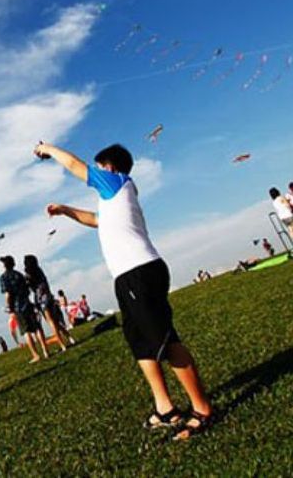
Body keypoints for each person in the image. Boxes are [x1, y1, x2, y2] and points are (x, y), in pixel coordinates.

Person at [35, 141, 213, 440]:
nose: (97, 171)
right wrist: (65, 210)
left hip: (140, 272)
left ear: (111, 166)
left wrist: (48, 149)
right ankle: (165, 408)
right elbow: (95, 220)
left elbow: (77, 167)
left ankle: (203, 410)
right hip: (127, 277)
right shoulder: (114, 200)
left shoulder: (118, 181)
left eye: (100, 166)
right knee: (142, 344)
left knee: (166, 341)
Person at [0, 255, 49, 362]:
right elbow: (27, 289)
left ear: (4, 266)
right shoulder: (19, 275)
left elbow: (8, 294)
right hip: (27, 303)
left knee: (26, 332)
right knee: (36, 328)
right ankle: (45, 351)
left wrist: (9, 307)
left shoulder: (3, 277)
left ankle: (36, 355)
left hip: (17, 308)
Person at [23, 255, 76, 349]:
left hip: (40, 299)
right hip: (48, 296)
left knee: (50, 321)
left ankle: (62, 344)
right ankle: (69, 337)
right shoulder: (39, 270)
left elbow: (29, 287)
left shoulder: (28, 274)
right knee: (55, 321)